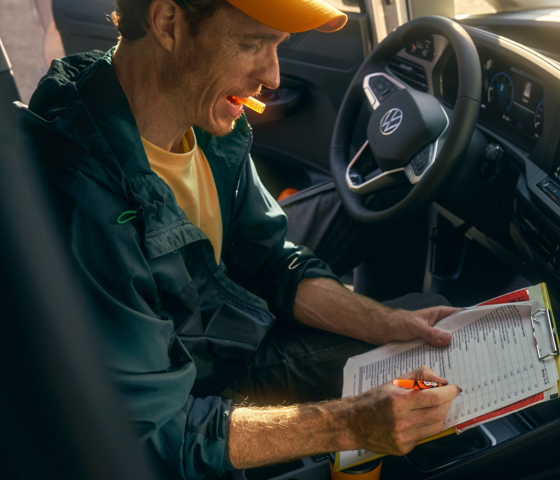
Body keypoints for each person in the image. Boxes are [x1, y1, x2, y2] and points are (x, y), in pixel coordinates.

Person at [16, 0, 460, 478]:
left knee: (389, 239)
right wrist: (351, 423)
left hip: (223, 294)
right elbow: (155, 435)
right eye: (251, 43)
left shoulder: (201, 114)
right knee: (432, 366)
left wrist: (383, 322)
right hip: (203, 374)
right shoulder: (86, 204)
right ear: (169, 23)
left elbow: (271, 260)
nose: (271, 76)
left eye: (277, 46)